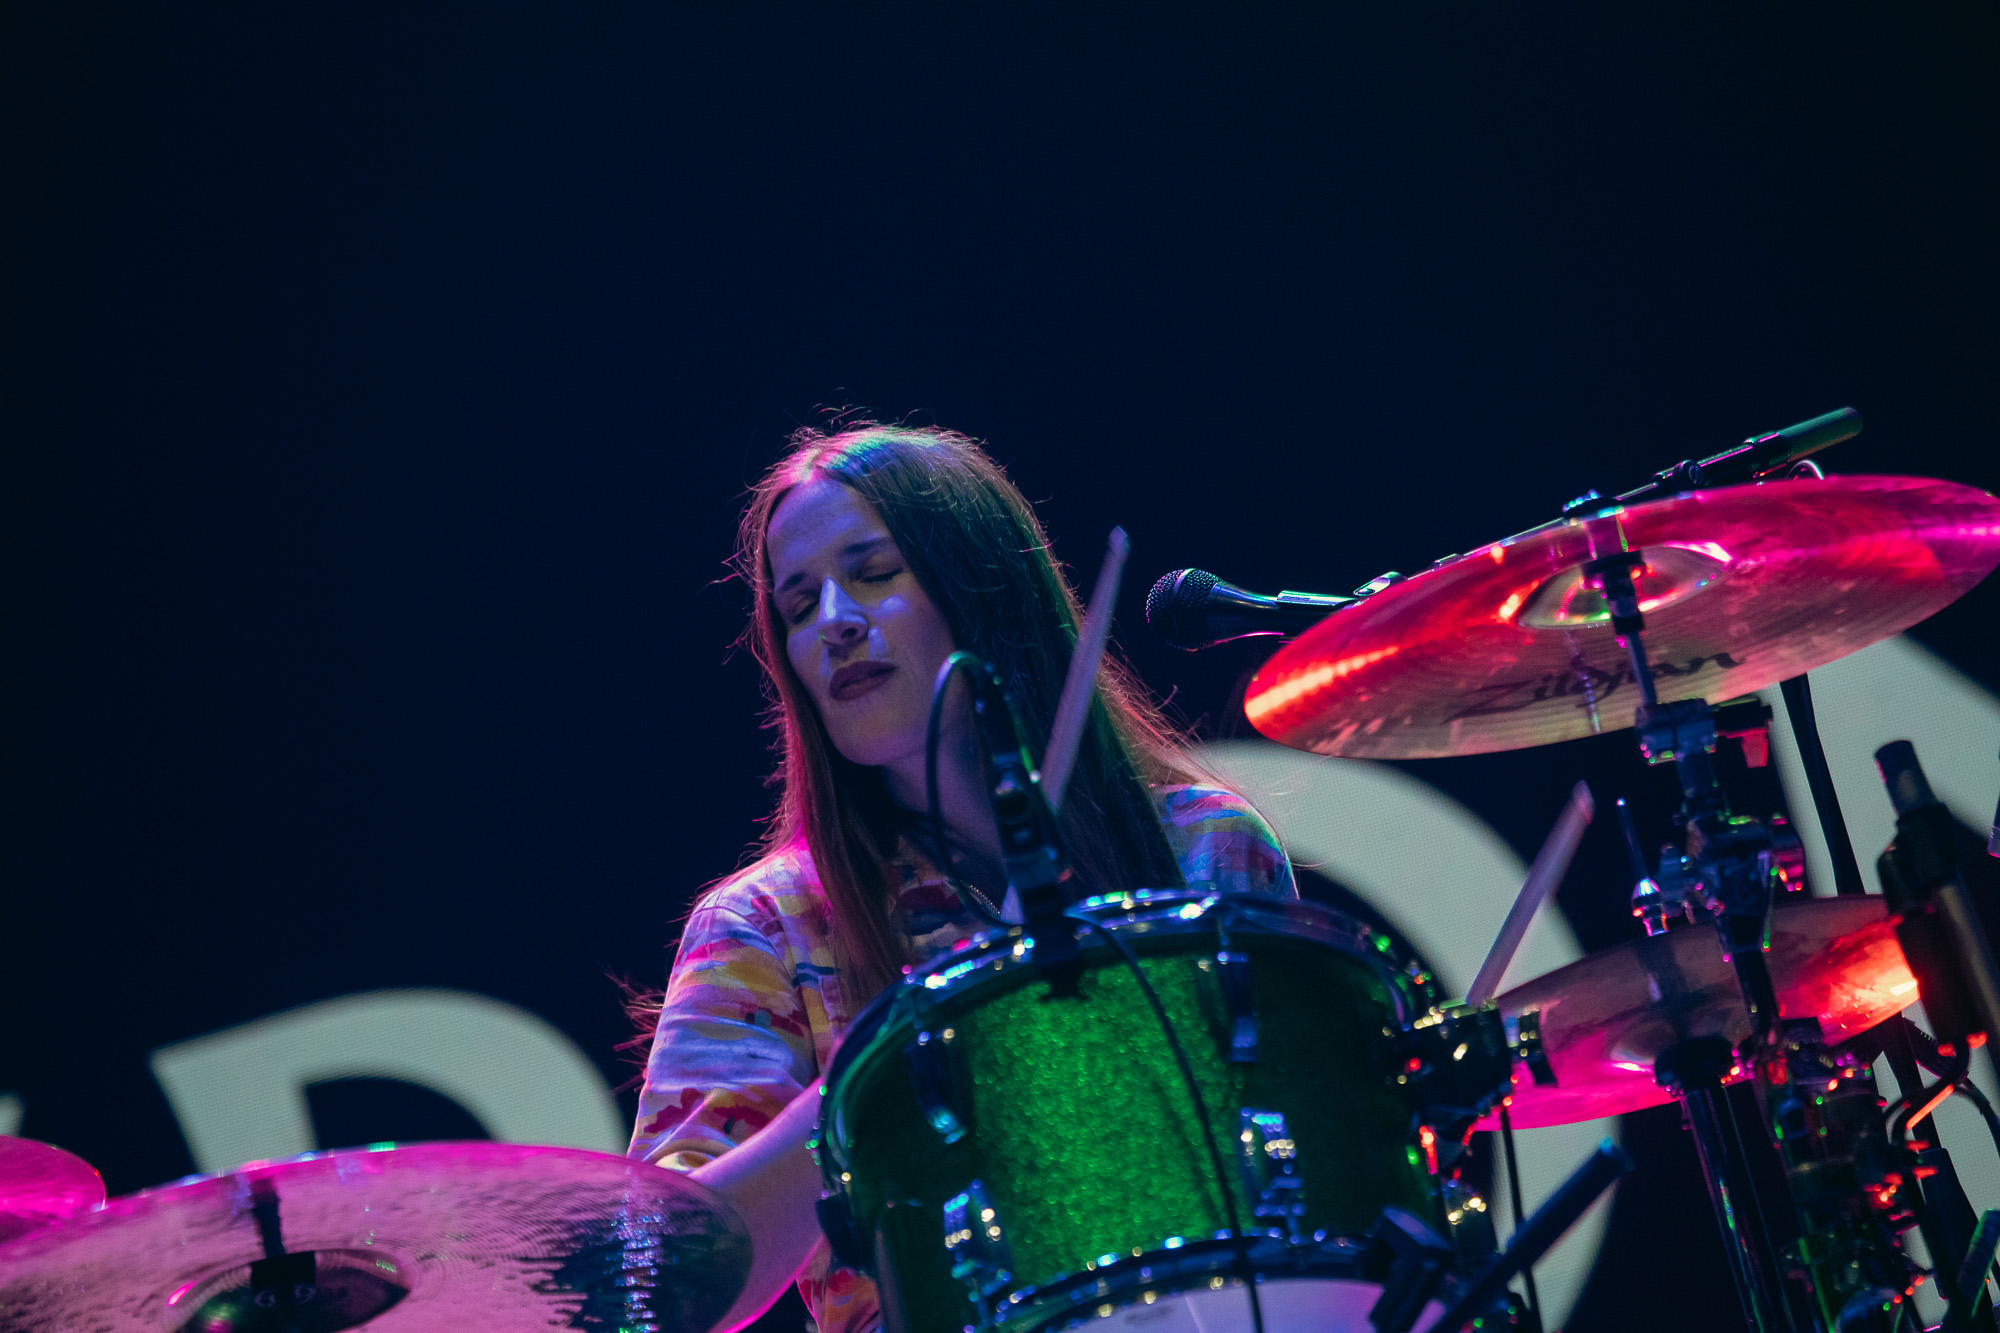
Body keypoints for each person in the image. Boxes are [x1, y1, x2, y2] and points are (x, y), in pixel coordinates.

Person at [629, 423, 1296, 1333]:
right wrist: (892, 1065)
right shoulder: (767, 925)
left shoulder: (1206, 849)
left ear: (981, 587)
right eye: (798, 605)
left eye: (875, 572)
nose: (834, 622)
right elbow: (665, 1281)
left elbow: (1306, 1157)